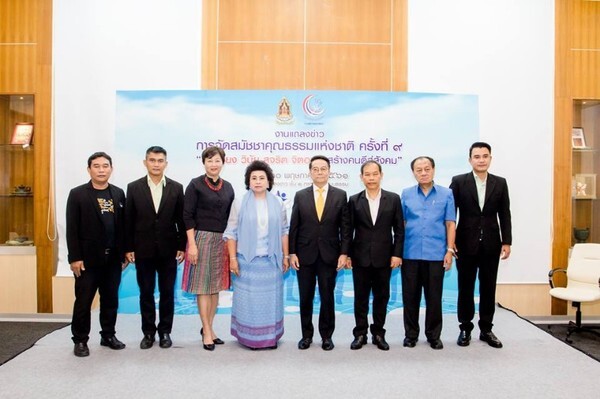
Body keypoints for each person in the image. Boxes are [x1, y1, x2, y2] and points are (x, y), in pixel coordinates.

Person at [450, 142, 512, 349]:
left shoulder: (500, 183)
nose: (481, 160)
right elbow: (450, 215)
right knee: (465, 288)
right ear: (470, 160)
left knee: (488, 288)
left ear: (490, 159)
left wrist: (507, 241)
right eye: (477, 156)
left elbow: (505, 213)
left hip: (492, 244)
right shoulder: (459, 182)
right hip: (465, 244)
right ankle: (465, 328)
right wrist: (450, 243)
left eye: (485, 156)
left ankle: (486, 329)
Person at [125, 146, 186, 350]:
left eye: (160, 161)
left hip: (169, 250)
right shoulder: (133, 187)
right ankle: (148, 333)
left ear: (166, 164)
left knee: (168, 292)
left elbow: (181, 221)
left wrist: (181, 246)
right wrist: (129, 247)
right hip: (143, 250)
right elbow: (129, 221)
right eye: (152, 160)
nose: (156, 164)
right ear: (145, 162)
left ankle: (165, 332)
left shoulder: (177, 188)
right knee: (146, 292)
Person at [66, 152, 127, 357]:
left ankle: (108, 335)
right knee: (83, 301)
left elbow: (123, 227)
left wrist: (123, 254)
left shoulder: (118, 194)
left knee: (110, 300)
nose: (101, 170)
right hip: (87, 260)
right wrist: (74, 257)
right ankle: (81, 340)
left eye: (105, 166)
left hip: (112, 260)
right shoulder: (78, 194)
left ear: (111, 168)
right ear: (89, 169)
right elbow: (72, 228)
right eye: (97, 166)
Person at [224, 160, 290, 349]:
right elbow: (231, 232)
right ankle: (248, 338)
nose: (258, 181)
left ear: (269, 182)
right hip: (246, 261)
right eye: (254, 178)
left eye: (262, 178)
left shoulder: (278, 202)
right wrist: (233, 259)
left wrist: (285, 256)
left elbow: (285, 231)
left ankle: (270, 338)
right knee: (248, 302)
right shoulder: (239, 203)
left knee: (271, 302)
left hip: (272, 262)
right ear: (248, 181)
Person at [289, 155, 351, 351]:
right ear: (310, 172)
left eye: (323, 169)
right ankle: (306, 336)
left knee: (327, 296)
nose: (319, 172)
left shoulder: (341, 195)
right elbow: (294, 227)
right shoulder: (300, 195)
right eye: (315, 169)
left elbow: (345, 228)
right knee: (305, 297)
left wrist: (344, 253)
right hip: (304, 255)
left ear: (329, 171)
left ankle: (326, 336)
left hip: (330, 255)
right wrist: (292, 253)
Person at [400, 156, 456, 350]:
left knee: (434, 297)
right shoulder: (406, 194)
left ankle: (433, 335)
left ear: (433, 170)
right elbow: (402, 224)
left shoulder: (446, 194)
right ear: (413, 172)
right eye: (418, 170)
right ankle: (411, 335)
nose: (423, 173)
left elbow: (450, 223)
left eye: (426, 169)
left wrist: (449, 250)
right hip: (410, 254)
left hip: (436, 254)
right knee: (410, 297)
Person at [347, 160, 404, 351]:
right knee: (360, 298)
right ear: (361, 177)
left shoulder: (393, 199)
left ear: (381, 175)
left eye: (374, 174)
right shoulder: (354, 200)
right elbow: (348, 231)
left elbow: (399, 230)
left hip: (384, 258)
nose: (371, 178)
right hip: (360, 257)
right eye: (367, 174)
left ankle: (378, 333)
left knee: (382, 297)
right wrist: (346, 254)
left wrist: (397, 254)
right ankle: (360, 334)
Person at [183, 146, 235, 351]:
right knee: (203, 288)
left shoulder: (229, 187)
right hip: (201, 239)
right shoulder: (195, 185)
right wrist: (192, 245)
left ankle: (210, 328)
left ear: (223, 162)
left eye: (217, 160)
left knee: (215, 288)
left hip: (221, 241)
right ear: (203, 163)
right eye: (209, 160)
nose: (214, 164)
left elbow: (232, 218)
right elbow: (187, 216)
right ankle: (205, 330)